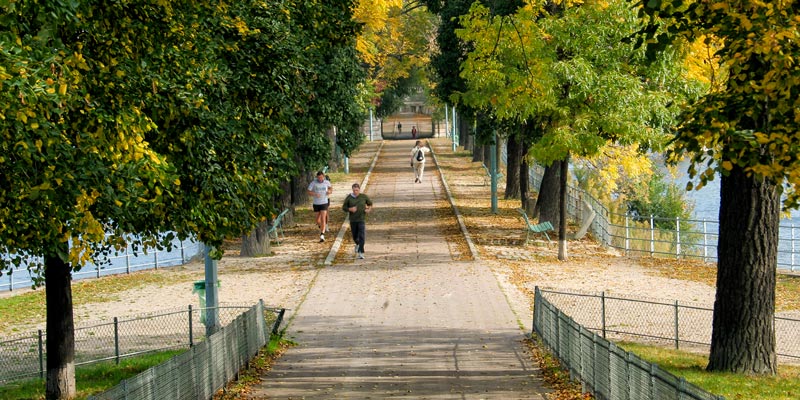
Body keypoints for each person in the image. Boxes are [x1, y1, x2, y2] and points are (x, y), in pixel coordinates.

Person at [342, 183, 373, 259]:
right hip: (353, 220)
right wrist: (350, 209)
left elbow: (370, 204)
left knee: (362, 236)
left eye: (357, 190)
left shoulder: (363, 197)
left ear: (359, 190)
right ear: (352, 190)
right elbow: (344, 207)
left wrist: (368, 209)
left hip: (361, 219)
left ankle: (361, 252)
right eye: (354, 190)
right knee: (355, 236)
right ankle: (357, 244)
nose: (356, 192)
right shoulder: (349, 198)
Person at [307, 171, 332, 242]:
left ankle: (322, 235)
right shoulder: (313, 183)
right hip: (316, 203)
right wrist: (314, 194)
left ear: (323, 177)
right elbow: (308, 191)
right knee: (317, 220)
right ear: (317, 177)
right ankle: (322, 227)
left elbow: (330, 188)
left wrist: (329, 191)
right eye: (319, 177)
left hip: (324, 202)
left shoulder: (327, 182)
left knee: (323, 218)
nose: (320, 179)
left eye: (321, 177)